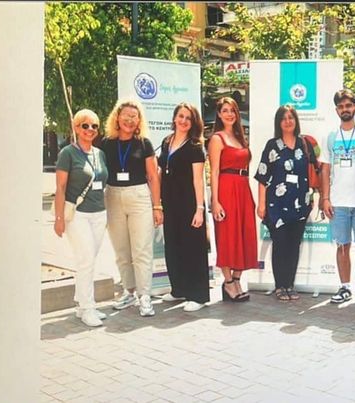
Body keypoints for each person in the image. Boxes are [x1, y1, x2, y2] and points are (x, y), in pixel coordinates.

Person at [102, 99, 162, 317]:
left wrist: (157, 206)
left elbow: (153, 177)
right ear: (117, 117)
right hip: (113, 196)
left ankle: (144, 296)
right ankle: (128, 291)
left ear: (139, 120)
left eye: (134, 116)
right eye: (126, 115)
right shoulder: (106, 143)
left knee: (141, 250)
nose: (129, 120)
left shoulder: (144, 144)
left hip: (139, 197)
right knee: (121, 250)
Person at [53, 109, 109, 327]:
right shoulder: (67, 153)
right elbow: (60, 187)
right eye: (85, 125)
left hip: (99, 214)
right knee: (86, 260)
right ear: (76, 128)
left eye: (94, 126)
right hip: (77, 215)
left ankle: (81, 304)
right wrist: (59, 218)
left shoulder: (100, 154)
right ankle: (88, 308)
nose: (90, 129)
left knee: (88, 260)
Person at [319, 89, 355, 306]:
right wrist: (325, 198)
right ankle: (344, 287)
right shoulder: (330, 135)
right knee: (342, 246)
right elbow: (325, 169)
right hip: (338, 202)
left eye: (348, 105)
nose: (345, 109)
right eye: (341, 106)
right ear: (336, 110)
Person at [255, 105, 313, 301]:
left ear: (296, 121)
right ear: (278, 123)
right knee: (280, 244)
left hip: (300, 204)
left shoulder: (304, 144)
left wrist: (314, 197)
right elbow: (262, 176)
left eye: (291, 117)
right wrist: (261, 204)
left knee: (294, 245)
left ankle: (290, 285)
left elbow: (314, 171)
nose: (288, 121)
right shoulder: (272, 145)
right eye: (284, 118)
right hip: (277, 205)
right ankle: (280, 285)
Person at [158, 103, 210, 312]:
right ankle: (178, 289)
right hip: (170, 203)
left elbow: (198, 180)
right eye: (181, 116)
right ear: (174, 118)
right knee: (173, 247)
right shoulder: (166, 142)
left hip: (189, 204)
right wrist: (157, 202)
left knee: (192, 249)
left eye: (188, 118)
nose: (183, 121)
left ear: (193, 122)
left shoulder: (195, 146)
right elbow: (161, 171)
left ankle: (198, 295)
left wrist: (199, 209)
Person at [208, 97, 258, 303]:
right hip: (226, 188)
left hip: (243, 188)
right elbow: (214, 171)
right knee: (228, 235)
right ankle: (228, 282)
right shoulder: (217, 139)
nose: (229, 114)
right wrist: (215, 201)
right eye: (225, 111)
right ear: (219, 115)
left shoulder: (240, 137)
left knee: (244, 234)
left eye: (232, 110)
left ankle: (237, 279)